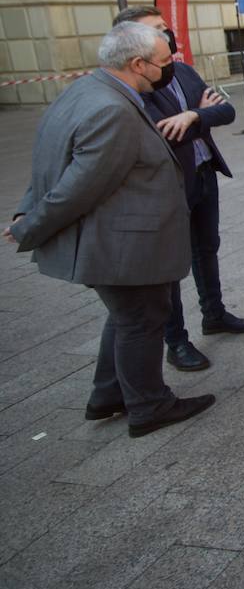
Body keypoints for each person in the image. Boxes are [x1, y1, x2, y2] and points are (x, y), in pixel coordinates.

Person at [4, 23, 215, 437]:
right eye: (164, 61)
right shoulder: (113, 110)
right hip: (125, 246)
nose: (171, 66)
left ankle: (108, 395)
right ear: (138, 64)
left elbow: (52, 161)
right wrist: (30, 225)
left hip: (118, 242)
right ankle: (149, 406)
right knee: (141, 319)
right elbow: (77, 187)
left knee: (124, 318)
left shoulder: (86, 91)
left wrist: (27, 209)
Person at [113, 7, 244, 373]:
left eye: (165, 28)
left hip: (204, 171)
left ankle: (214, 313)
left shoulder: (183, 71)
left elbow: (225, 111)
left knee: (206, 249)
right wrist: (196, 114)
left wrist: (194, 115)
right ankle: (176, 340)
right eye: (157, 31)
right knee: (172, 264)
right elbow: (158, 129)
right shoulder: (134, 86)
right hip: (170, 185)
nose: (167, 36)